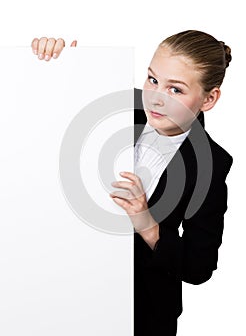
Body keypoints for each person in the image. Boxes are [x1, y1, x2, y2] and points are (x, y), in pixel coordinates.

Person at [31, 30, 233, 335]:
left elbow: (199, 267)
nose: (156, 97)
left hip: (143, 313)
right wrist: (56, 63)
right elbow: (44, 118)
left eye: (175, 90)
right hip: (68, 287)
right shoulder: (117, 105)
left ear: (209, 98)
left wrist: (147, 224)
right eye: (152, 79)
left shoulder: (213, 163)